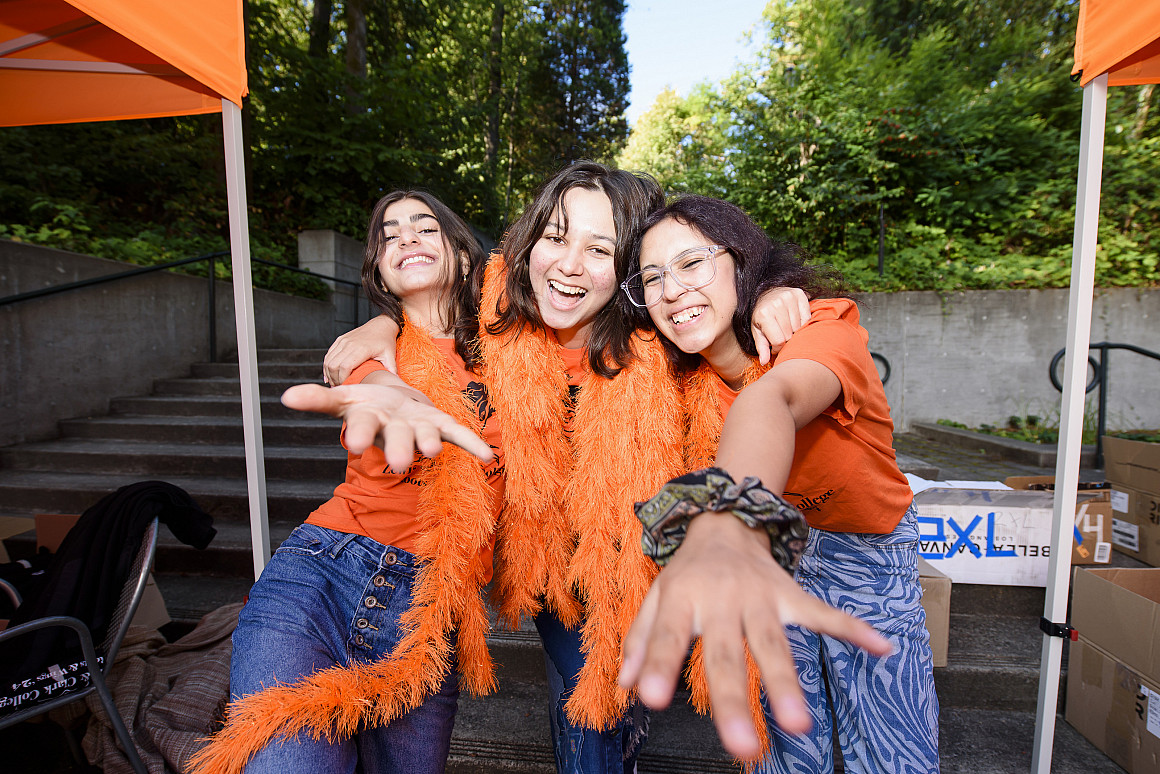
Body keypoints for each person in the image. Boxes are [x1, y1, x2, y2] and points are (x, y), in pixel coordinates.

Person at [321, 162, 891, 773]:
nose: (569, 264)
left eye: (600, 249)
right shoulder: (497, 308)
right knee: (586, 713)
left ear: (626, 276)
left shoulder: (663, 330)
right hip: (546, 558)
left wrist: (774, 292)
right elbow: (428, 296)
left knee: (617, 712)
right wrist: (377, 324)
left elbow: (746, 355)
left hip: (649, 555)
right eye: (557, 237)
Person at [618, 194, 939, 772]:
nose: (671, 290)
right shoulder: (671, 380)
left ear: (741, 261)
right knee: (785, 750)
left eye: (692, 264)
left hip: (864, 549)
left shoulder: (820, 327)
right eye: (653, 277)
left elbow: (775, 398)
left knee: (894, 746)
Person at [189, 190, 501, 774]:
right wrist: (397, 396)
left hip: (430, 619)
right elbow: (376, 383)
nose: (405, 237)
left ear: (461, 254)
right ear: (380, 270)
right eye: (389, 235)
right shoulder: (366, 353)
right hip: (323, 578)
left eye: (424, 227)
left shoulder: (516, 357)